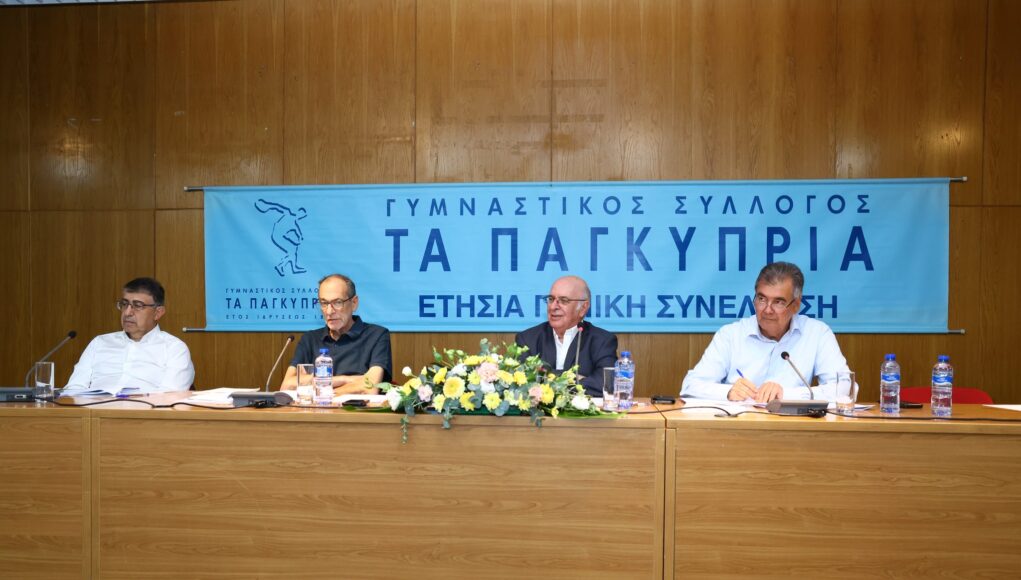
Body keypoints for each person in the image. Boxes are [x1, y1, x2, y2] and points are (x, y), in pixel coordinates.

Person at [680, 262, 848, 402]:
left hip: (793, 428)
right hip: (738, 426)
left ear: (796, 305)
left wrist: (784, 394)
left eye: (778, 302)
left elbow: (845, 388)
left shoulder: (817, 333)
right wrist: (728, 392)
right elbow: (690, 386)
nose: (767, 310)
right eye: (761, 299)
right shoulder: (730, 335)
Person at [64, 277, 195, 394]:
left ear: (158, 313)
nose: (127, 312)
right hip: (93, 411)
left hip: (143, 412)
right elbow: (74, 388)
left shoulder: (174, 349)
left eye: (138, 306)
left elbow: (170, 396)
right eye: (124, 304)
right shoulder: (100, 342)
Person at [281, 273, 392, 394]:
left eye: (337, 302)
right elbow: (287, 386)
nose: (329, 311)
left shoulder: (377, 335)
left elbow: (370, 387)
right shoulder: (309, 339)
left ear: (354, 303)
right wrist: (344, 379)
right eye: (324, 303)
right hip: (316, 407)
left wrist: (318, 387)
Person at [515, 275, 618, 397]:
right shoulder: (528, 339)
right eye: (551, 299)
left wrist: (546, 377)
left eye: (563, 301)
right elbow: (522, 381)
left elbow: (606, 385)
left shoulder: (602, 341)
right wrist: (576, 379)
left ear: (583, 308)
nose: (553, 307)